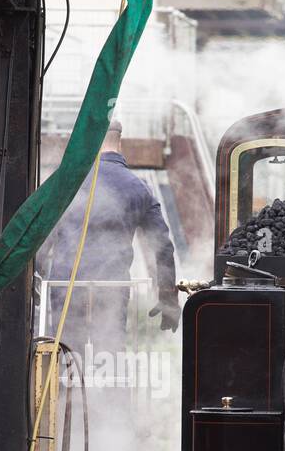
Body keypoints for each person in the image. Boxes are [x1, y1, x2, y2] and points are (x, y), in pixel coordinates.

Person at [40, 120, 180, 355]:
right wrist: (167, 296)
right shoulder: (138, 187)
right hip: (113, 287)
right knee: (111, 355)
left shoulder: (64, 183)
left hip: (65, 286)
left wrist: (36, 278)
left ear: (91, 143)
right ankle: (112, 390)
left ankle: (66, 391)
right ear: (120, 142)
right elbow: (162, 247)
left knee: (67, 357)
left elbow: (42, 235)